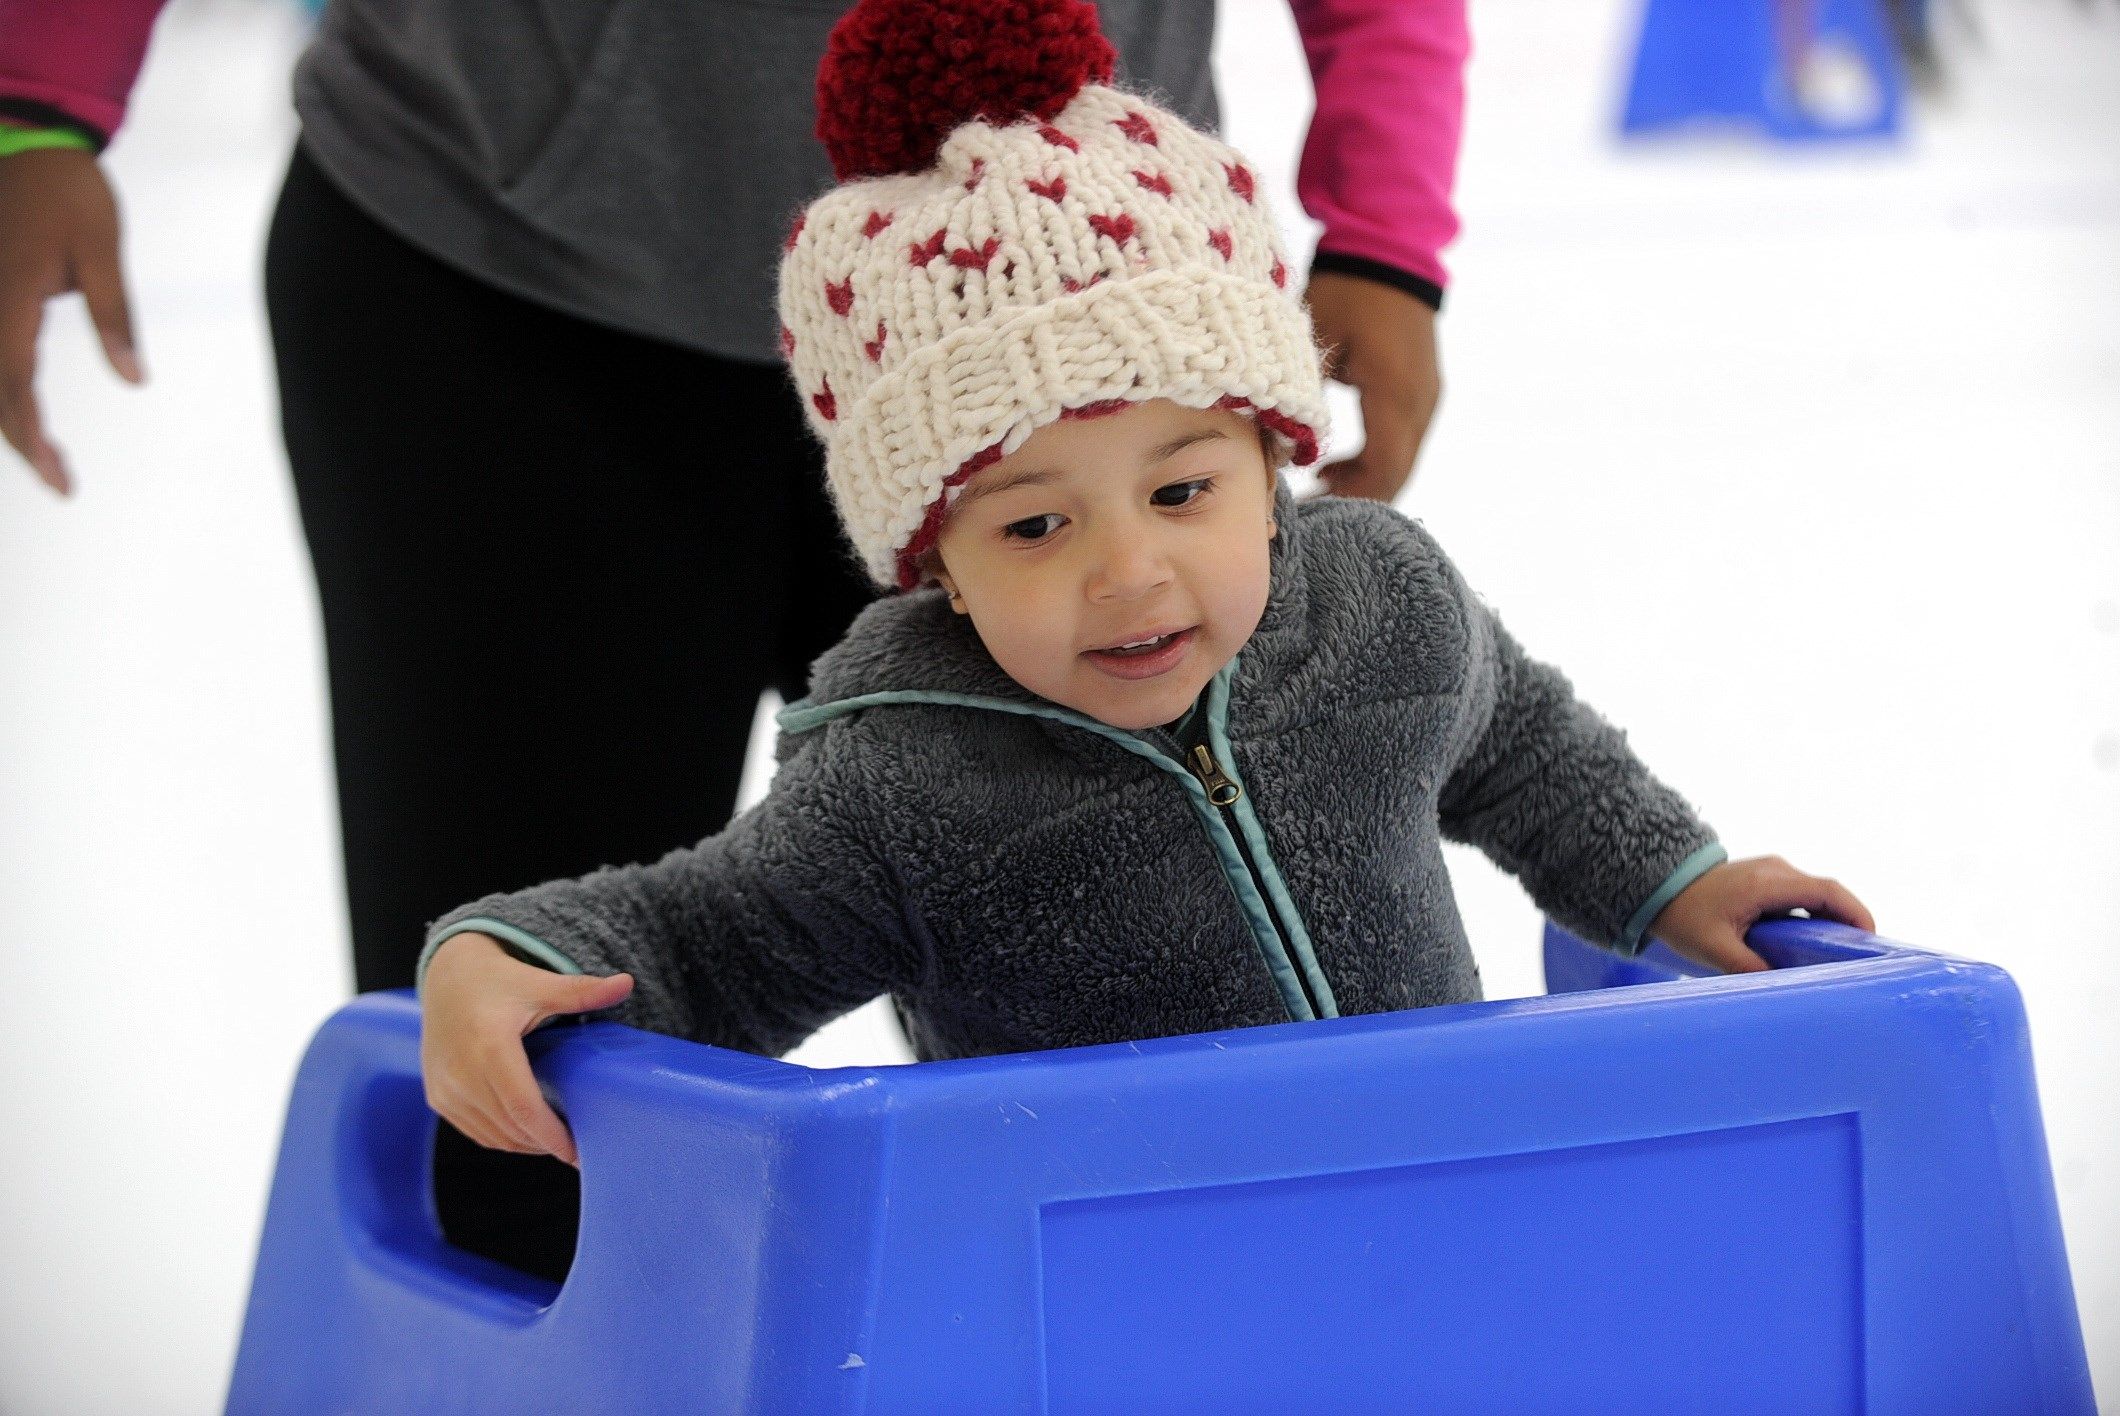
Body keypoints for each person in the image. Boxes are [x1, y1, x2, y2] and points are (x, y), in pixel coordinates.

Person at [1, 0, 1467, 1278]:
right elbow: (665, 955)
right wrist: (36, 104)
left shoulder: (1292, 570)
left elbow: (1513, 740)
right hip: (510, 290)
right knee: (532, 1117)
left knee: (1180, 1118)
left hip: (1077, 319)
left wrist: (1388, 235)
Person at [419, 0, 1875, 1174]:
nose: (1128, 572)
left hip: (1442, 1226)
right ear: (942, 566)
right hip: (1101, 1313)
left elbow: (1527, 755)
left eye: (1184, 491)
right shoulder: (904, 781)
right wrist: (501, 954)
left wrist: (1682, 883)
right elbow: (705, 938)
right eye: (1034, 528)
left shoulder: (1380, 608)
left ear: (1272, 452)